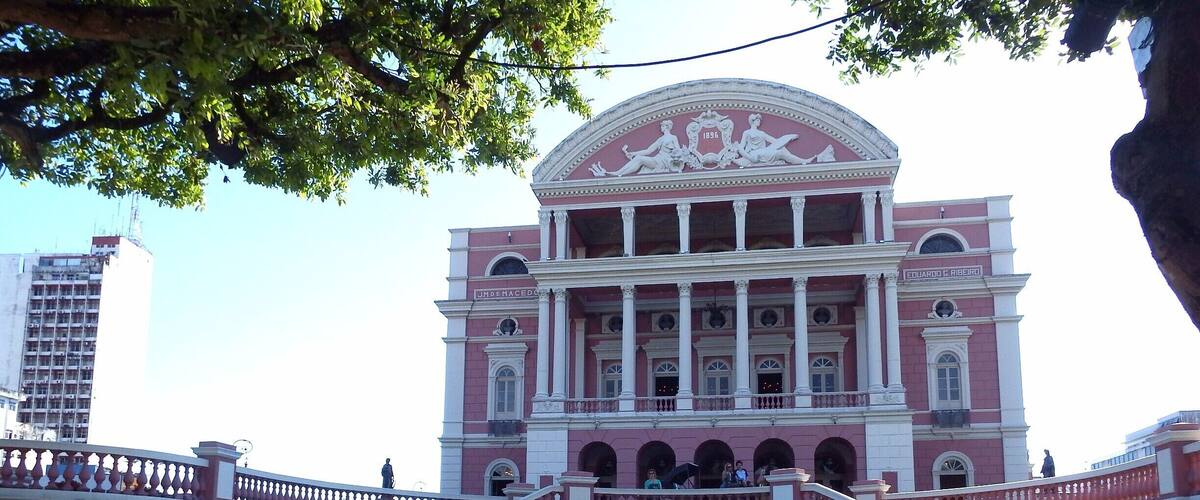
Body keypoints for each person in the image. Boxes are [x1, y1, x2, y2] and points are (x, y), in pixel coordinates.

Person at [589, 120, 690, 177]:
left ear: (667, 127)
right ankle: (619, 173)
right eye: (661, 126)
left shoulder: (672, 137)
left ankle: (619, 173)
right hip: (658, 160)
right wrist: (633, 153)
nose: (661, 128)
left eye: (662, 126)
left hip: (664, 162)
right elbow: (648, 150)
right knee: (638, 158)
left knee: (639, 159)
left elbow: (678, 150)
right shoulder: (661, 139)